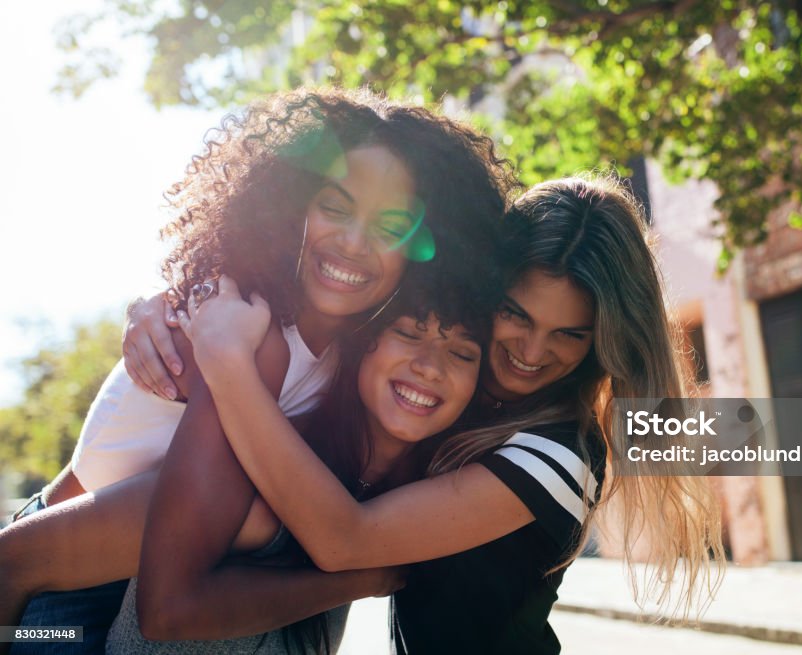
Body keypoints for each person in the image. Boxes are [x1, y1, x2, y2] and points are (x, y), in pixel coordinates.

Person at [0, 85, 514, 654]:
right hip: (57, 593)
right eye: (334, 207)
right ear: (291, 206)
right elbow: (152, 599)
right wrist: (352, 577)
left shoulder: (355, 354)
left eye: (391, 227)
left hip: (136, 572)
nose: (352, 242)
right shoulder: (245, 330)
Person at [148, 175, 724, 654]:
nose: (529, 352)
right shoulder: (463, 399)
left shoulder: (559, 455)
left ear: (600, 343)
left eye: (567, 335)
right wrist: (165, 312)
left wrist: (227, 366)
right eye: (515, 315)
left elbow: (344, 539)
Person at [105, 269, 494, 653]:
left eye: (462, 353)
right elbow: (54, 553)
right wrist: (362, 580)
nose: (430, 366)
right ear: (363, 343)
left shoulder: (411, 510)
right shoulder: (243, 460)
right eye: (409, 333)